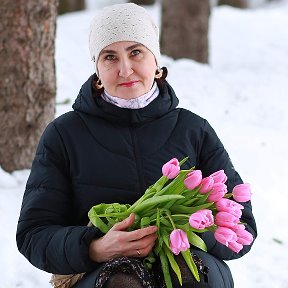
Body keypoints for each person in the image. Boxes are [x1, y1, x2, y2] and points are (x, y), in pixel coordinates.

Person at [16, 3, 257, 288]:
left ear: (155, 61)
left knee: (191, 275)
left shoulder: (194, 130)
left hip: (191, 261)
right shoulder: (65, 134)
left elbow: (244, 228)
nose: (125, 69)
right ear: (97, 69)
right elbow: (34, 234)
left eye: (135, 52)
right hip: (102, 272)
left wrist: (193, 230)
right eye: (110, 57)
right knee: (122, 282)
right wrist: (95, 247)